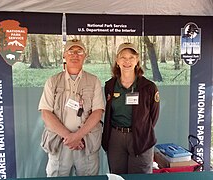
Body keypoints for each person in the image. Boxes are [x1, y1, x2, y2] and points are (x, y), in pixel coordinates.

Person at [38, 39, 105, 177]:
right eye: (71, 51)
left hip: (86, 143)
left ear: (85, 56)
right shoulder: (52, 81)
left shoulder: (94, 81)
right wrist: (69, 137)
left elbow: (97, 112)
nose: (75, 54)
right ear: (64, 55)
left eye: (79, 51)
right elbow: (46, 113)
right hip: (60, 143)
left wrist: (78, 136)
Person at [102, 42, 160, 174]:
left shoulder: (149, 87)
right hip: (116, 137)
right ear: (117, 60)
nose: (127, 61)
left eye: (131, 57)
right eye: (123, 57)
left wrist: (141, 129)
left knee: (140, 175)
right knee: (117, 175)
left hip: (140, 137)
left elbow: (153, 115)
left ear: (137, 61)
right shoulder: (110, 86)